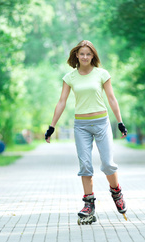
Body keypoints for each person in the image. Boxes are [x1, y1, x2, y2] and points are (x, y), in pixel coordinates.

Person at [45, 40, 128, 224]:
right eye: (81, 54)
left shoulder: (102, 74)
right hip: (81, 125)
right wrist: (52, 126)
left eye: (88, 54)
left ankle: (116, 192)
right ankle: (89, 204)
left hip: (101, 123)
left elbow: (112, 99)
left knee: (107, 164)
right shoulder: (70, 77)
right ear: (76, 55)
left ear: (93, 56)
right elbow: (61, 102)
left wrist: (120, 122)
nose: (84, 57)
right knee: (85, 165)